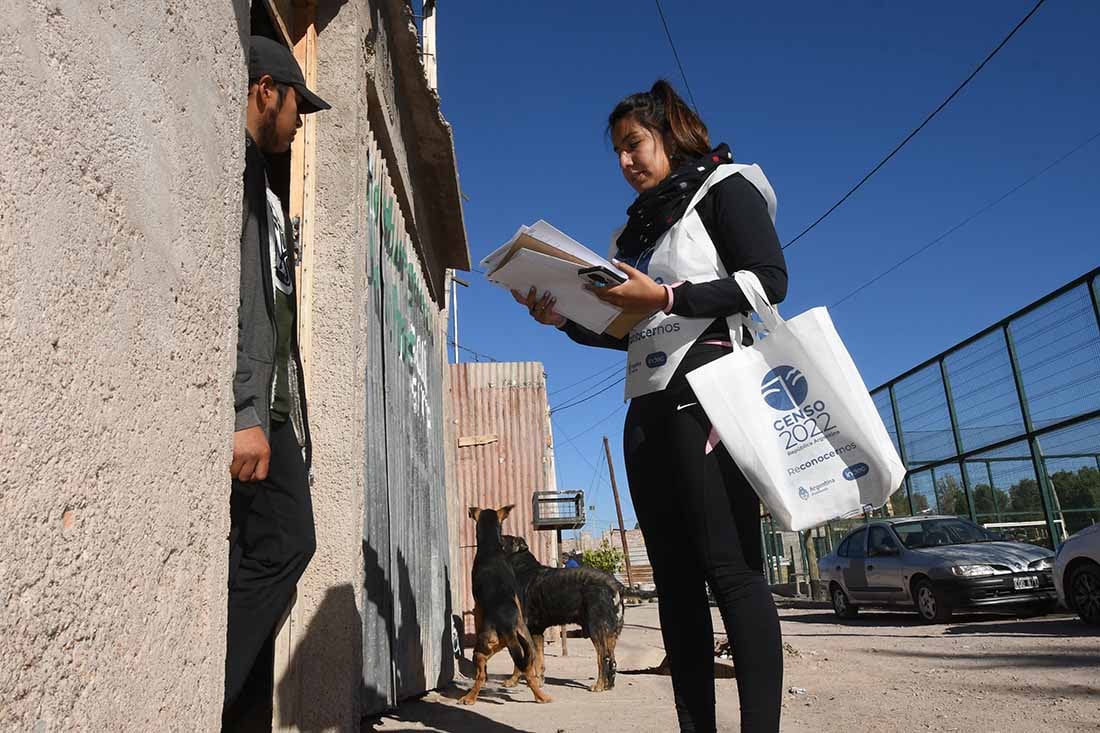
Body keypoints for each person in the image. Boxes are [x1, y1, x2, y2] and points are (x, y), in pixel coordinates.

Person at [512, 80, 786, 732]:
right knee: (676, 587)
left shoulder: (726, 186)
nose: (625, 161)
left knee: (733, 572)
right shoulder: (631, 233)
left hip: (712, 399)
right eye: (616, 152)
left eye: (633, 144)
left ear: (669, 132)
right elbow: (625, 330)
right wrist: (562, 318)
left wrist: (665, 297)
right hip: (648, 410)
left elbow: (766, 281)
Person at [224, 35, 330, 730]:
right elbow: (234, 299)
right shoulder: (236, 174)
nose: (299, 123)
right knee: (291, 542)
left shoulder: (263, 186)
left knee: (265, 565)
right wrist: (245, 408)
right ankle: (203, 685)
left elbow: (279, 318)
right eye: (297, 106)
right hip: (256, 412)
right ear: (268, 89)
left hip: (277, 412)